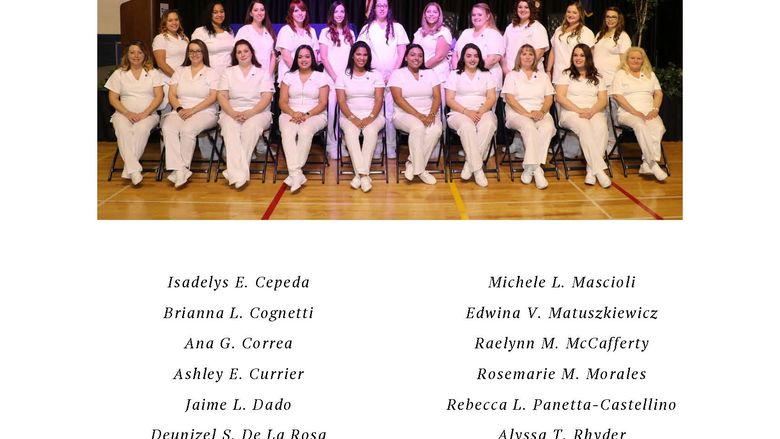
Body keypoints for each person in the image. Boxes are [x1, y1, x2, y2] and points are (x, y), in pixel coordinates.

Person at [216, 40, 275, 189]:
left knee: (250, 128)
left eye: (246, 51)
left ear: (251, 53)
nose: (243, 54)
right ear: (235, 55)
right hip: (231, 111)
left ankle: (235, 172)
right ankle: (240, 174)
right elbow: (222, 96)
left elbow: (266, 97)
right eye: (239, 52)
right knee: (230, 129)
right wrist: (232, 113)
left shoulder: (262, 73)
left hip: (258, 112)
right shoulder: (228, 72)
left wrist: (250, 113)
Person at [162, 39, 219, 188]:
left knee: (187, 129)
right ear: (188, 53)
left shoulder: (211, 72)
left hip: (205, 112)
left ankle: (183, 168)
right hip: (181, 109)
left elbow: (213, 97)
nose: (194, 54)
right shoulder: (180, 71)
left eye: (198, 51)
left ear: (204, 53)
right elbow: (172, 95)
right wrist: (180, 110)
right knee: (168, 127)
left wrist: (192, 111)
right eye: (191, 51)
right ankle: (179, 169)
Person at [105, 41, 164, 186]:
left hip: (148, 114)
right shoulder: (119, 73)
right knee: (122, 129)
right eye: (132, 52)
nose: (136, 56)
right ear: (127, 55)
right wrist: (126, 113)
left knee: (140, 129)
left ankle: (129, 169)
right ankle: (134, 169)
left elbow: (159, 96)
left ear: (145, 55)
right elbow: (112, 98)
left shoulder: (153, 73)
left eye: (139, 52)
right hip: (123, 113)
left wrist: (145, 113)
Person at [358, 0, 409, 158]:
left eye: (384, 6)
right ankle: (377, 147)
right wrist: (374, 73)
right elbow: (362, 52)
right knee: (376, 113)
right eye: (379, 5)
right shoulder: (367, 28)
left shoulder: (397, 27)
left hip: (392, 77)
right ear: (374, 8)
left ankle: (391, 147)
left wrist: (392, 73)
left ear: (388, 8)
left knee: (390, 113)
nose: (381, 8)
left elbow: (402, 52)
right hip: (373, 78)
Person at [555, 43, 610, 188]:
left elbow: (603, 100)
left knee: (601, 127)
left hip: (594, 111)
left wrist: (591, 111)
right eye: (575, 55)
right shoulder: (565, 74)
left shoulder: (598, 77)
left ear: (588, 58)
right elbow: (560, 98)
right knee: (585, 127)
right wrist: (579, 110)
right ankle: (599, 171)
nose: (578, 58)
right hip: (571, 113)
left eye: (581, 55)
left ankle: (591, 170)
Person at [502, 44, 555, 189]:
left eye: (530, 54)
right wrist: (526, 113)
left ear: (535, 57)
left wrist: (542, 112)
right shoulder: (512, 75)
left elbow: (549, 98)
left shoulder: (543, 76)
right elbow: (510, 99)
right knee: (529, 127)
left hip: (540, 112)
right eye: (524, 54)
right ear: (519, 57)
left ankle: (530, 168)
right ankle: (537, 170)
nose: (527, 56)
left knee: (548, 127)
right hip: (517, 113)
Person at [444, 43, 497, 187]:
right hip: (459, 112)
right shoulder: (454, 74)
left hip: (482, 110)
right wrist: (467, 112)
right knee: (467, 127)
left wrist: (480, 111)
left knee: (489, 124)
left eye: (475, 56)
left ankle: (470, 164)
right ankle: (478, 170)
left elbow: (492, 98)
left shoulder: (486, 74)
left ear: (479, 58)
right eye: (468, 56)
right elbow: (449, 99)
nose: (472, 59)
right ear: (463, 58)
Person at [335, 41, 386, 193]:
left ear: (368, 57)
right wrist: (352, 118)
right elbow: (341, 101)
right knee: (351, 132)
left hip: (374, 115)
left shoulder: (375, 75)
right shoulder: (343, 76)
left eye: (365, 55)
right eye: (358, 54)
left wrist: (370, 117)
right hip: (349, 116)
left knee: (370, 132)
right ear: (352, 56)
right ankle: (364, 175)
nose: (361, 58)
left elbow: (379, 100)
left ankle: (359, 176)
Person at [611, 46, 667, 181]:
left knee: (658, 127)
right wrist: (634, 112)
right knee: (640, 125)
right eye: (632, 58)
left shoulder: (650, 74)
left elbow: (658, 93)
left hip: (649, 112)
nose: (635, 61)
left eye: (639, 58)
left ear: (643, 60)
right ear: (627, 59)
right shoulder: (620, 74)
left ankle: (646, 164)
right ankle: (653, 163)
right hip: (627, 112)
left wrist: (655, 110)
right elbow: (617, 96)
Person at [278, 45, 329, 193]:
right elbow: (282, 102)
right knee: (287, 132)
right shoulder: (288, 76)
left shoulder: (321, 76)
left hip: (315, 114)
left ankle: (294, 173)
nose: (303, 60)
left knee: (305, 130)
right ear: (296, 59)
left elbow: (323, 103)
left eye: (307, 56)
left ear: (312, 58)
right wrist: (293, 113)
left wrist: (306, 115)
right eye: (300, 57)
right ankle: (296, 174)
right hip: (289, 112)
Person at [389, 44, 443, 185]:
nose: (416, 58)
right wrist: (419, 116)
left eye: (420, 55)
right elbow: (398, 99)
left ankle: (412, 164)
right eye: (412, 54)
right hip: (403, 114)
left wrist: (431, 115)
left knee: (436, 129)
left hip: (428, 113)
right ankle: (421, 171)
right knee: (418, 127)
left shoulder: (430, 73)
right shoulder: (398, 73)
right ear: (406, 57)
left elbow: (437, 97)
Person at [501, 0, 549, 157]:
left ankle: (529, 152)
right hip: (512, 74)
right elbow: (504, 50)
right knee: (518, 107)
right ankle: (518, 143)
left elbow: (539, 51)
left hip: (531, 73)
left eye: (526, 7)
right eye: (520, 7)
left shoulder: (537, 27)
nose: (522, 10)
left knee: (530, 106)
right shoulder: (510, 27)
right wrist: (507, 69)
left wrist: (524, 67)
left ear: (531, 10)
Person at [319, 0, 355, 159]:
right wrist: (335, 77)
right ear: (331, 14)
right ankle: (331, 145)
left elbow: (353, 57)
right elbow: (324, 58)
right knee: (332, 113)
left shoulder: (350, 33)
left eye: (342, 11)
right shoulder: (325, 33)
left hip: (347, 79)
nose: (339, 15)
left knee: (346, 113)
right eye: (336, 12)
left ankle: (344, 142)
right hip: (331, 79)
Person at [592, 6, 631, 151]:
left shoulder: (623, 36)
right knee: (602, 115)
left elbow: (624, 61)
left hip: (612, 81)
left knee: (612, 115)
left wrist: (619, 82)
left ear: (619, 19)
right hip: (598, 82)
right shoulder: (600, 34)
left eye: (613, 17)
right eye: (608, 16)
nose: (610, 19)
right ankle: (602, 144)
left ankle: (612, 144)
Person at [452, 3, 504, 92]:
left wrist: (472, 74)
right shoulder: (466, 32)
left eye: (480, 14)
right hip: (462, 79)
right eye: (473, 15)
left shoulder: (493, 34)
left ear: (487, 16)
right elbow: (455, 54)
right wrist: (459, 72)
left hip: (487, 80)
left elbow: (493, 59)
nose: (476, 17)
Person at [546, 1, 595, 85]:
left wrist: (586, 74)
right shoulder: (558, 30)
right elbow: (553, 51)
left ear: (580, 14)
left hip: (576, 75)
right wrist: (548, 71)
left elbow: (591, 56)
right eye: (568, 12)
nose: (570, 15)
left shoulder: (586, 32)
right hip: (558, 76)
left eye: (574, 12)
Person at [276, 0, 318, 85]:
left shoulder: (311, 31)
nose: (300, 13)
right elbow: (286, 56)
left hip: (309, 77)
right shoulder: (285, 30)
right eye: (296, 11)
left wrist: (309, 73)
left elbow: (315, 54)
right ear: (291, 13)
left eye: (302, 10)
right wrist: (300, 74)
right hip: (289, 76)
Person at [152, 10, 188, 110]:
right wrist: (177, 78)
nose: (174, 23)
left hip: (183, 79)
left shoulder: (184, 38)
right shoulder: (160, 38)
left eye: (176, 20)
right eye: (170, 20)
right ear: (165, 23)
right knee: (169, 110)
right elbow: (161, 64)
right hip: (167, 79)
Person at [413, 2, 453, 85]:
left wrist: (422, 68)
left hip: (438, 76)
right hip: (420, 76)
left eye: (435, 12)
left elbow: (439, 57)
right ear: (424, 14)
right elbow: (413, 52)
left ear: (439, 15)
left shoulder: (444, 31)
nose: (431, 14)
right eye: (428, 12)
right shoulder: (419, 31)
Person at [235, 0, 277, 78]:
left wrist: (268, 76)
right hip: (249, 77)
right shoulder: (244, 31)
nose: (259, 13)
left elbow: (273, 55)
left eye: (262, 10)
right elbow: (237, 54)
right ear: (251, 13)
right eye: (256, 10)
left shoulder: (268, 30)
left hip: (267, 78)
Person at [191, 2, 234, 76]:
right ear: (209, 14)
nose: (219, 15)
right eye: (215, 12)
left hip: (229, 75)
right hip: (209, 75)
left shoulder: (229, 31)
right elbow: (194, 55)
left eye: (222, 11)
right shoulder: (200, 31)